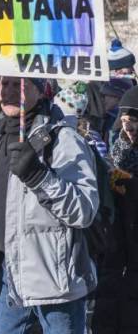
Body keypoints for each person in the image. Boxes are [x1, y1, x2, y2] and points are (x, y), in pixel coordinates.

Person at [0, 77, 98, 334]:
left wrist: (38, 176)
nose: (9, 92)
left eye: (20, 85)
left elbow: (84, 210)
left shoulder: (63, 138)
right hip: (6, 274)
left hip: (56, 278)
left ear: (41, 90)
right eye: (5, 84)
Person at [92, 85, 138, 333]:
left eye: (133, 120)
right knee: (110, 286)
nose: (127, 126)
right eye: (123, 120)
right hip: (116, 234)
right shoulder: (119, 147)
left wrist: (131, 184)